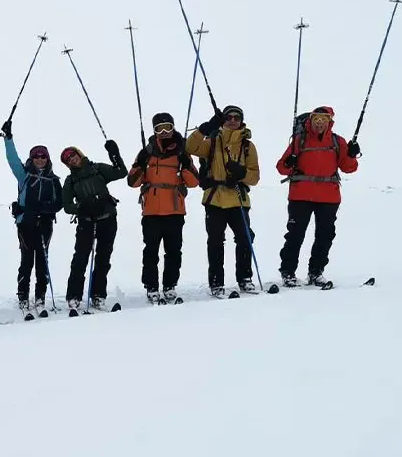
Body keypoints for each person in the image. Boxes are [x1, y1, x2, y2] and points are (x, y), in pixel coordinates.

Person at [276, 106, 360, 287]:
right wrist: (289, 162)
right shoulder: (299, 140)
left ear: (330, 122)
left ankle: (316, 272)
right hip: (300, 196)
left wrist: (352, 155)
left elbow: (348, 167)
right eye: (316, 119)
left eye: (324, 119)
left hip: (328, 198)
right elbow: (281, 168)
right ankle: (288, 272)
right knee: (295, 235)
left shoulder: (338, 142)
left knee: (325, 236)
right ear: (310, 121)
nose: (319, 122)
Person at [185, 105, 261, 297]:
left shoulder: (248, 146)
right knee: (215, 242)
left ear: (241, 120)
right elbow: (190, 147)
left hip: (238, 199)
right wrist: (206, 127)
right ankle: (216, 283)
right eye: (229, 117)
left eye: (237, 117)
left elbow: (255, 177)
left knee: (245, 238)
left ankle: (245, 278)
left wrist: (241, 173)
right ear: (223, 120)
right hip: (215, 199)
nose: (233, 120)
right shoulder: (212, 141)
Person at [127, 113, 200, 304]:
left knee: (174, 251)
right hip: (151, 212)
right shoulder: (147, 152)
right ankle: (151, 286)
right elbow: (132, 182)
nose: (165, 132)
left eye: (168, 127)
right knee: (151, 251)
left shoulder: (182, 152)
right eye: (159, 128)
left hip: (174, 211)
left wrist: (186, 164)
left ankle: (169, 285)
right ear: (154, 131)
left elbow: (194, 182)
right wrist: (140, 164)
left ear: (174, 127)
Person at [0, 120, 62, 314]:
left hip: (45, 224)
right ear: (32, 158)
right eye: (36, 156)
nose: (40, 159)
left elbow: (59, 203)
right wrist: (8, 139)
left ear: (48, 159)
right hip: (26, 223)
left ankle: (40, 297)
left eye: (43, 156)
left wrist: (45, 208)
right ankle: (23, 296)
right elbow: (13, 160)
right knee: (27, 261)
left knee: (42, 261)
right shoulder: (24, 175)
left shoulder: (54, 180)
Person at [60, 140, 127, 314]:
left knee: (103, 258)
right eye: (68, 159)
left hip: (107, 219)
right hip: (86, 222)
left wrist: (114, 154)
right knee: (80, 258)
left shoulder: (97, 168)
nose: (72, 159)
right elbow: (66, 205)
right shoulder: (70, 181)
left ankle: (98, 295)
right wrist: (81, 207)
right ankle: (74, 296)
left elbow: (121, 172)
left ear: (79, 154)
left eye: (73, 155)